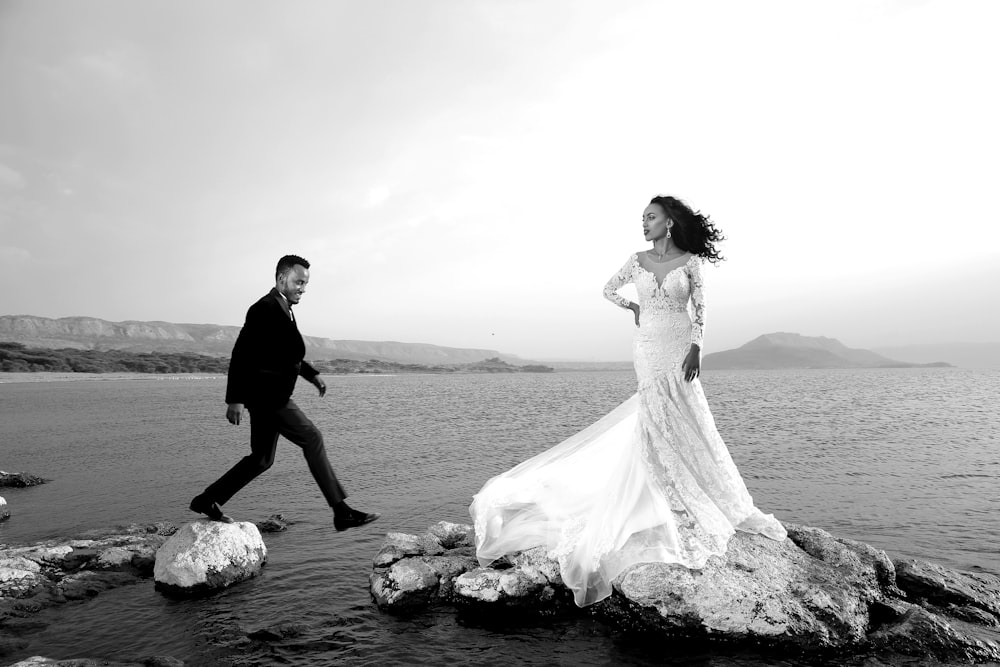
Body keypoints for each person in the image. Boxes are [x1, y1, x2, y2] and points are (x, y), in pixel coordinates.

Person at [470, 195, 785, 606]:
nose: (644, 223)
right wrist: (633, 305)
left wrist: (697, 348)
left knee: (689, 414)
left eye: (651, 217)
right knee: (653, 415)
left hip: (679, 343)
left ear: (669, 222)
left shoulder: (691, 261)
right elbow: (607, 289)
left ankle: (689, 489)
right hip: (647, 345)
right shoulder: (636, 259)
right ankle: (656, 492)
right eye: (642, 218)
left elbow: (703, 310)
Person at [189, 254, 379, 532]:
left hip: (268, 396)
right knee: (312, 438)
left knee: (262, 459)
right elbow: (242, 355)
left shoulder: (284, 308)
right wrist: (235, 399)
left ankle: (207, 499)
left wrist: (312, 375)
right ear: (282, 279)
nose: (303, 288)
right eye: (299, 281)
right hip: (269, 397)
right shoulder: (264, 308)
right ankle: (341, 512)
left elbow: (286, 354)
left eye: (305, 283)